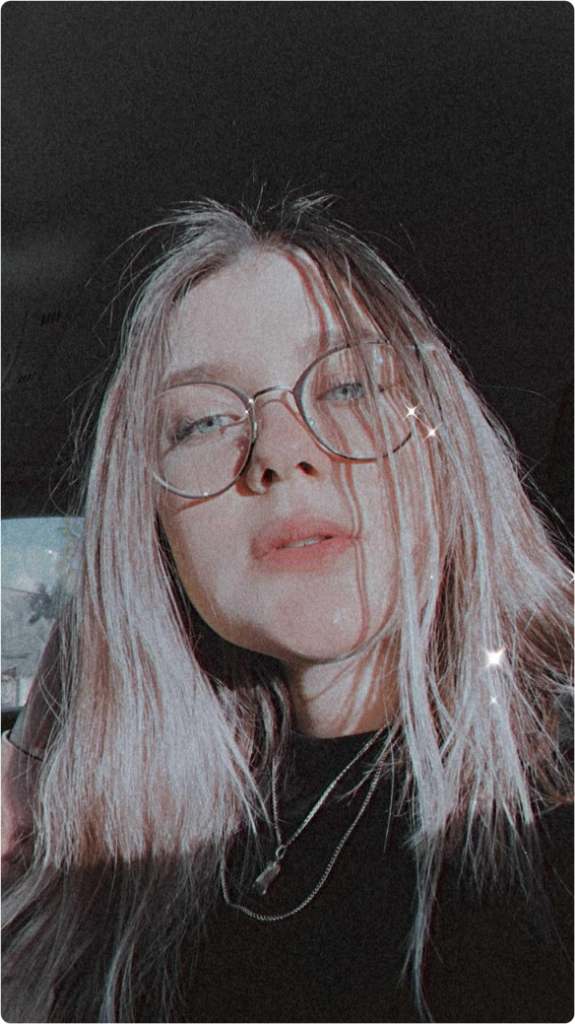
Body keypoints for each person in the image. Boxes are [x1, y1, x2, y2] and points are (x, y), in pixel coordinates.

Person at [0, 194, 574, 1024]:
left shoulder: (551, 797)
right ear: (153, 531)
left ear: (445, 449)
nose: (279, 449)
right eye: (202, 422)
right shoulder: (119, 843)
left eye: (347, 385)